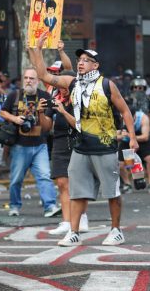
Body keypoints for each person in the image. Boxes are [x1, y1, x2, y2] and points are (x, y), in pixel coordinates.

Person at [29, 36, 137, 247]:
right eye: (79, 59)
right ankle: (74, 232)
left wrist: (132, 137)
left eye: (86, 60)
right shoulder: (72, 82)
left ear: (95, 65)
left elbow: (125, 110)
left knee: (112, 192)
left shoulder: (107, 85)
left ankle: (116, 231)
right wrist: (38, 49)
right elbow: (43, 75)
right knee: (77, 193)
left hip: (105, 146)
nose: (80, 62)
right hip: (81, 147)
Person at [0, 67, 60, 218]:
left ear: (37, 81)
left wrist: (40, 113)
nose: (28, 81)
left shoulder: (45, 97)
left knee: (45, 176)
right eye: (26, 78)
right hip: (20, 146)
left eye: (32, 78)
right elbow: (2, 112)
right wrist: (15, 119)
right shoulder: (15, 95)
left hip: (40, 145)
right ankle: (14, 206)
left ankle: (50, 206)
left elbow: (48, 126)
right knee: (16, 179)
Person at [46, 71, 90, 235]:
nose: (61, 89)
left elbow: (79, 125)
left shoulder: (81, 99)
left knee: (78, 183)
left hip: (78, 142)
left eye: (64, 86)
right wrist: (39, 112)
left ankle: (82, 217)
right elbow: (46, 126)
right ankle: (66, 221)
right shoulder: (55, 99)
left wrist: (63, 111)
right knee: (63, 183)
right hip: (59, 142)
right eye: (59, 86)